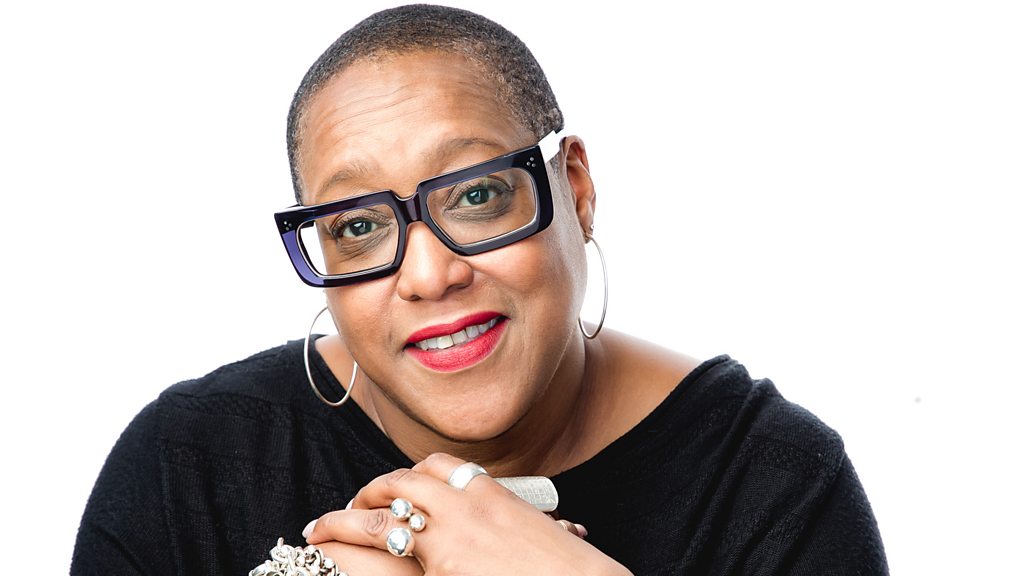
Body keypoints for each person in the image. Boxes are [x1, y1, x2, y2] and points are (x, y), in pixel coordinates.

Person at [72, 4, 888, 575]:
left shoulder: (773, 484)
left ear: (576, 191)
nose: (429, 275)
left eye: (477, 194)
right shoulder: (188, 466)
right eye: (358, 225)